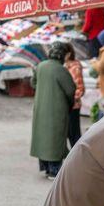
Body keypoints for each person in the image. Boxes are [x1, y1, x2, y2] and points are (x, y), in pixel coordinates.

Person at [30, 43, 77, 179]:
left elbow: (33, 83)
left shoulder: (41, 66)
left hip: (41, 107)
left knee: (42, 137)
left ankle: (45, 168)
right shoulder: (60, 70)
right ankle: (54, 170)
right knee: (55, 139)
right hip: (57, 108)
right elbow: (70, 90)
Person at [63, 45, 85, 147]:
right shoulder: (63, 66)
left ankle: (78, 158)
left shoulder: (75, 67)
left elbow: (80, 89)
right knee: (67, 133)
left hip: (73, 105)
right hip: (64, 105)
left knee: (74, 134)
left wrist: (68, 98)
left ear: (69, 53)